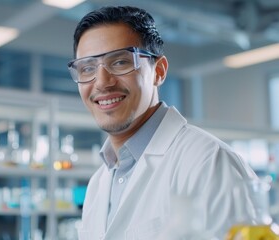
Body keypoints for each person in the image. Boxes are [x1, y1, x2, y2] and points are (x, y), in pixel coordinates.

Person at [67, 5, 258, 240]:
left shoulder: (208, 161)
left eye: (120, 62)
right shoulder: (98, 184)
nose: (102, 83)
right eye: (87, 68)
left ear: (159, 71)